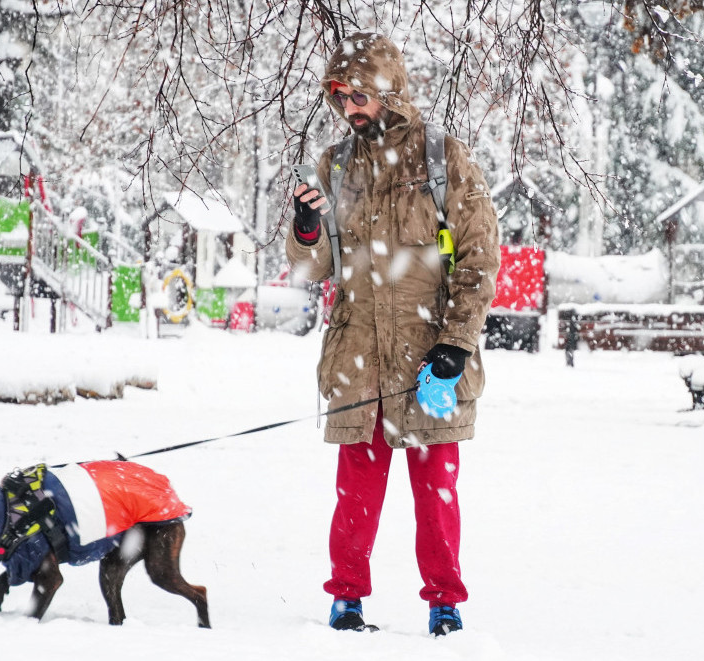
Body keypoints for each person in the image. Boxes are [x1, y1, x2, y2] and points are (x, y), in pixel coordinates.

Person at [285, 32, 499, 636]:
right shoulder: (336, 166)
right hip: (359, 359)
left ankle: (444, 605)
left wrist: (456, 343)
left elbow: (481, 261)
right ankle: (346, 599)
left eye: (358, 94)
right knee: (355, 491)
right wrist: (305, 229)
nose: (348, 106)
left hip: (429, 359)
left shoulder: (443, 160)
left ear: (387, 91)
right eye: (337, 95)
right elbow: (310, 270)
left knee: (436, 495)